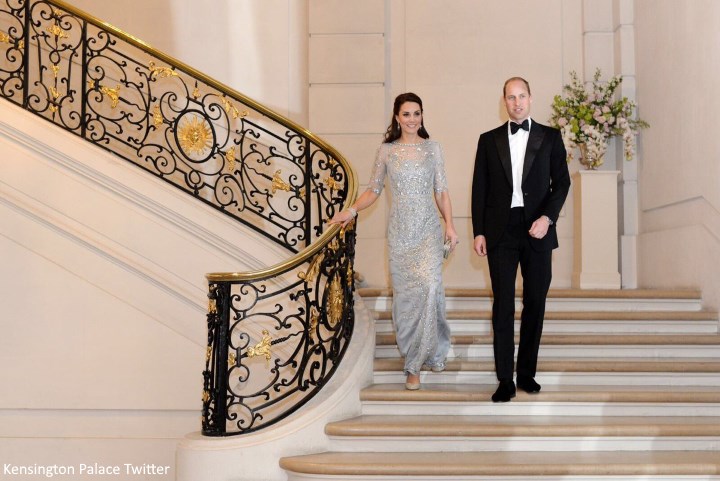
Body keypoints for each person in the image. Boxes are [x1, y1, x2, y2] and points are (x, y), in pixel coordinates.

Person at [330, 92, 459, 390]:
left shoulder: (433, 149)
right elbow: (373, 190)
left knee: (430, 288)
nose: (412, 119)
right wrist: (351, 210)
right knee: (406, 298)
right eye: (406, 114)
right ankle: (414, 356)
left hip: (428, 230)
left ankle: (417, 362)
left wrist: (450, 226)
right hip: (400, 233)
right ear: (397, 118)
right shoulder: (387, 151)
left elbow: (441, 191)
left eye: (417, 113)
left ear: (422, 116)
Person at [471, 77, 571, 403]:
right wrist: (479, 231)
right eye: (511, 97)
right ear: (504, 101)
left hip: (538, 229)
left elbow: (562, 183)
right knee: (503, 305)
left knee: (535, 303)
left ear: (530, 98)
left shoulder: (550, 137)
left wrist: (547, 218)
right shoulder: (488, 140)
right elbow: (480, 189)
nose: (517, 102)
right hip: (500, 231)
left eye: (522, 96)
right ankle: (505, 379)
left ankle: (526, 372)